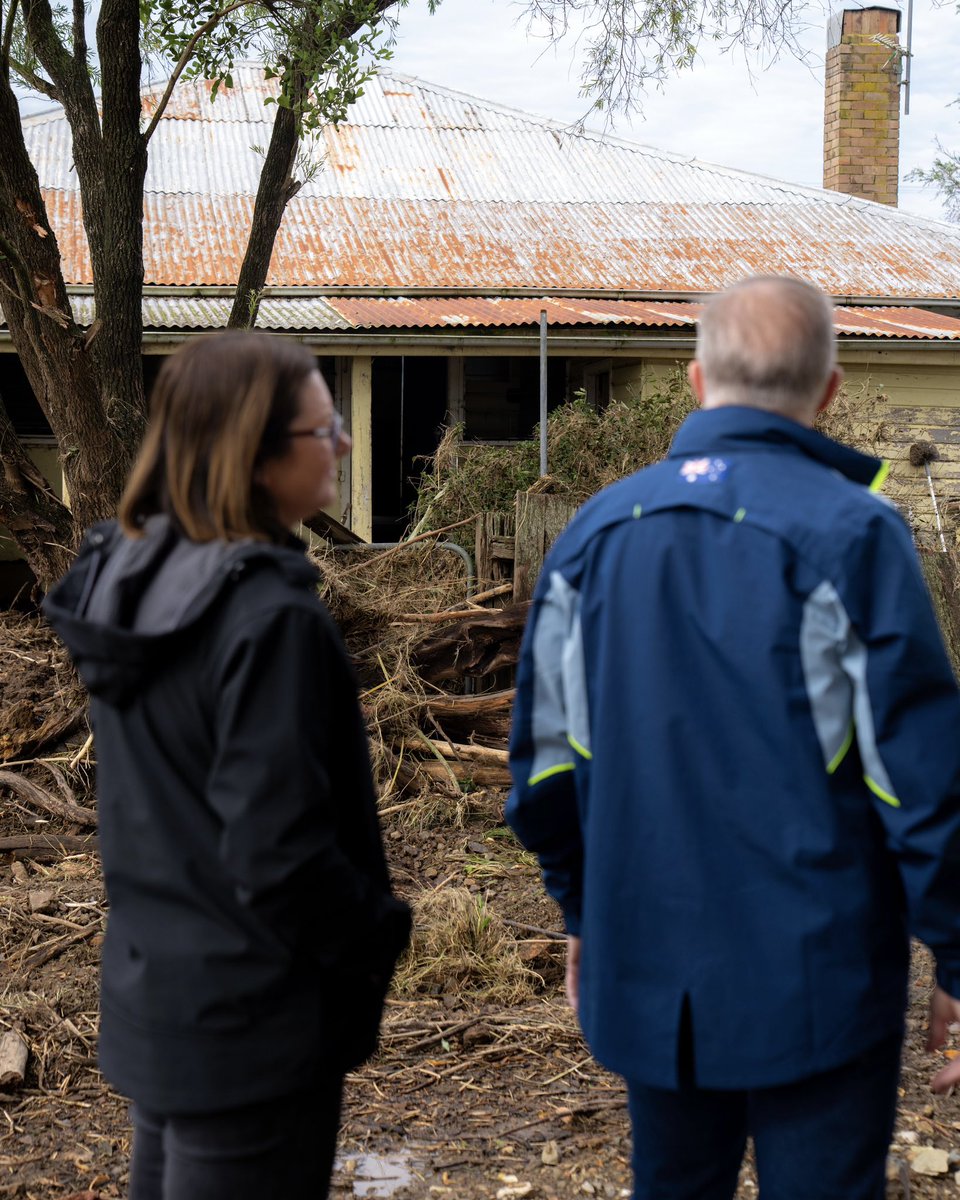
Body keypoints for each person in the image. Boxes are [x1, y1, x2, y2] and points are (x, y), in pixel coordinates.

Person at [506, 276, 960, 1200]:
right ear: (829, 390)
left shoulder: (593, 534)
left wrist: (584, 911)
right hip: (819, 979)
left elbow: (544, 766)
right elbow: (917, 776)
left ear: (693, 380)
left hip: (648, 971)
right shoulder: (859, 533)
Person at [44, 332, 410, 1200]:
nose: (345, 443)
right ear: (255, 453)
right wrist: (379, 932)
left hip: (162, 1001)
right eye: (324, 430)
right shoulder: (267, 617)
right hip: (256, 1025)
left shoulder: (130, 577)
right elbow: (279, 855)